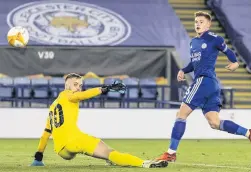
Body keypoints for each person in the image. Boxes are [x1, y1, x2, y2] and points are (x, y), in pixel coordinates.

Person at [156, 11, 251, 162]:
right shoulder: (194, 42)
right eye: (196, 22)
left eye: (201, 21)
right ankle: (248, 133)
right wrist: (183, 70)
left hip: (204, 81)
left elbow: (228, 51)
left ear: (208, 24)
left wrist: (235, 63)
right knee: (215, 122)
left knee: (181, 115)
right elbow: (194, 64)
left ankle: (170, 153)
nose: (197, 24)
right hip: (211, 85)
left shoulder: (214, 39)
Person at [30, 73, 168, 168]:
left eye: (80, 84)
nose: (79, 87)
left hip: (61, 150)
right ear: (67, 86)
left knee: (98, 145)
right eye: (75, 84)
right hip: (74, 140)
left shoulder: (53, 105)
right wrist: (104, 89)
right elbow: (82, 95)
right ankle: (144, 163)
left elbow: (46, 133)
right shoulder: (67, 95)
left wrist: (38, 157)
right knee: (110, 153)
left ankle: (110, 159)